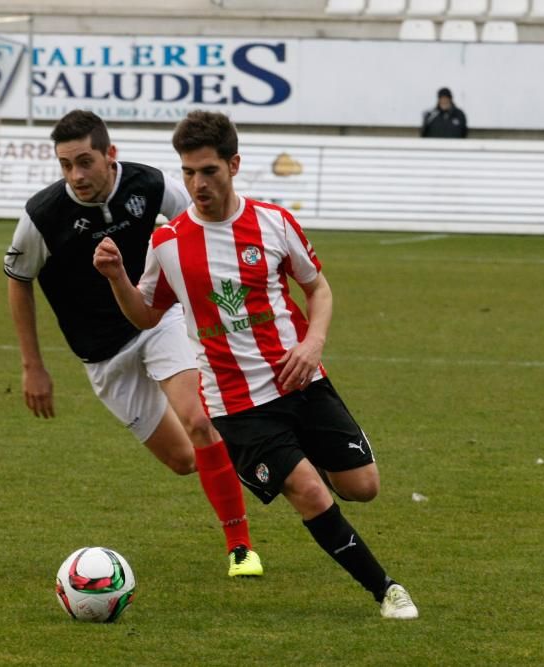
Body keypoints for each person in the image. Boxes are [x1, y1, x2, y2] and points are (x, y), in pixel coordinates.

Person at [94, 110, 419, 619]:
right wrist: (116, 278)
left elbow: (317, 288)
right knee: (310, 491)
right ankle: (387, 591)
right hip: (237, 404)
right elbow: (146, 313)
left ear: (234, 165)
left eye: (208, 171)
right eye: (188, 172)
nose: (197, 184)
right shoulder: (170, 243)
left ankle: (305, 466)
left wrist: (312, 344)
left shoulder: (274, 222)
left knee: (362, 487)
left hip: (302, 381)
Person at [4, 110, 263, 577]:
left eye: (85, 161)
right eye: (65, 165)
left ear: (110, 155)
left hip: (157, 321)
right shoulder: (42, 216)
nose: (76, 175)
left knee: (199, 421)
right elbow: (18, 280)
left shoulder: (150, 184)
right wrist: (32, 366)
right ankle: (269, 449)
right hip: (104, 356)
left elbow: (199, 226)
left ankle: (241, 548)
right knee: (186, 460)